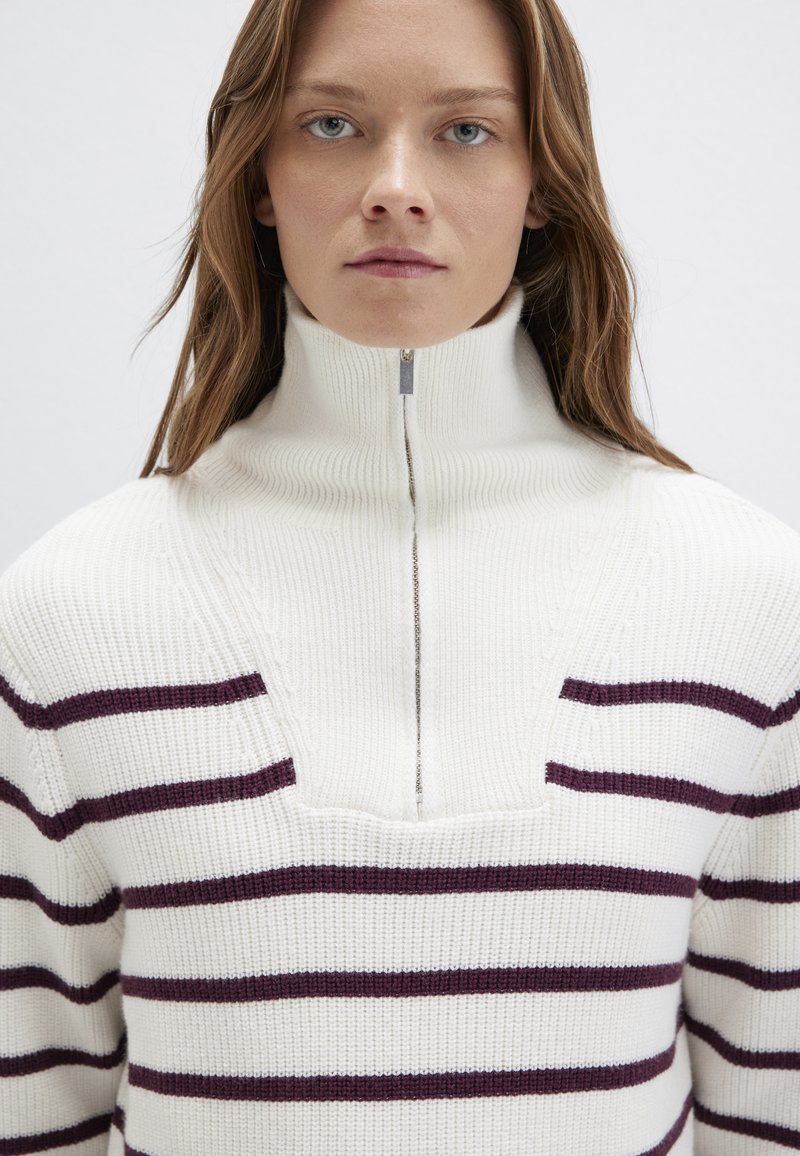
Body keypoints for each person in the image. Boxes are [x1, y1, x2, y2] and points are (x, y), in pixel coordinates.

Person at [1, 0, 798, 1151]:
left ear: (542, 182)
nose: (393, 188)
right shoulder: (69, 615)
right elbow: (32, 1105)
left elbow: (772, 1103)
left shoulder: (746, 601)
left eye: (465, 131)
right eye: (329, 125)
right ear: (257, 174)